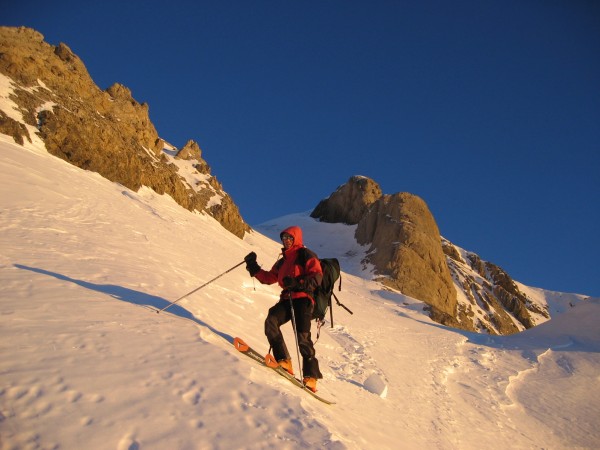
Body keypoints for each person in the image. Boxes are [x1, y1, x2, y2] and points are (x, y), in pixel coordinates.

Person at [244, 225, 323, 392]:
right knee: (271, 320)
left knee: (302, 336)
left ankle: (311, 377)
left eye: (289, 237)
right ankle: (284, 360)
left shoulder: (305, 255)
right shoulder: (283, 261)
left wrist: (298, 283)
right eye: (284, 238)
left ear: (296, 238)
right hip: (287, 299)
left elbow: (317, 276)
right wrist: (253, 267)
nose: (286, 240)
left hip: (303, 299)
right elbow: (268, 278)